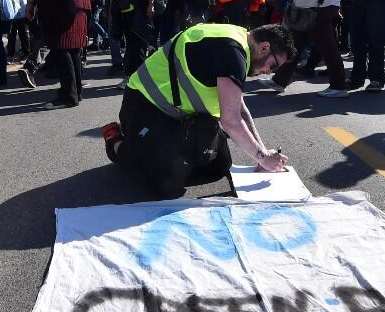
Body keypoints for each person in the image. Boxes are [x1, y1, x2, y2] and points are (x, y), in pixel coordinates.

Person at [101, 23, 296, 199]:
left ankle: (169, 157)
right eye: (274, 65)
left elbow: (239, 109)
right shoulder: (231, 51)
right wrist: (262, 157)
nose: (270, 72)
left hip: (180, 113)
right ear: (264, 48)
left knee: (218, 167)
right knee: (168, 187)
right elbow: (231, 120)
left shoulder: (239, 43)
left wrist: (262, 152)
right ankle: (117, 143)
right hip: (145, 106)